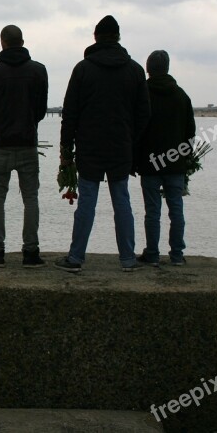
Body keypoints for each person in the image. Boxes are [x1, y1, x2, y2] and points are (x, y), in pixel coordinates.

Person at [55, 15, 151, 273]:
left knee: (87, 202)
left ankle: (76, 258)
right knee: (122, 201)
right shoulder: (134, 70)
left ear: (95, 37)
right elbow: (144, 114)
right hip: (121, 146)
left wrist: (66, 150)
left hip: (90, 147)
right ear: (118, 37)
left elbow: (70, 114)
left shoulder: (83, 69)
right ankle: (128, 259)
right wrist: (132, 140)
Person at [0, 25, 48, 268]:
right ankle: (31, 252)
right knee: (31, 198)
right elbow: (40, 109)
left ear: (2, 43)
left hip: (1, 144)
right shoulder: (39, 71)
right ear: (22, 41)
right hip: (28, 143)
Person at [135, 50, 195, 266]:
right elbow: (190, 132)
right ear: (167, 68)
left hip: (150, 164)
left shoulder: (143, 94)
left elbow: (137, 129)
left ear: (148, 69)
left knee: (152, 212)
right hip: (175, 163)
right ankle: (177, 255)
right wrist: (184, 158)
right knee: (176, 210)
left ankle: (152, 254)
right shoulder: (181, 96)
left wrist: (136, 159)